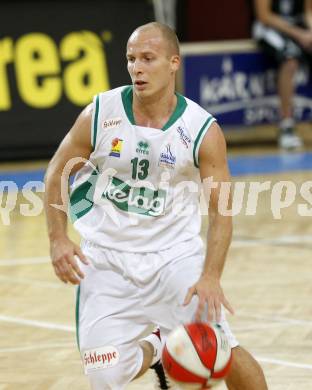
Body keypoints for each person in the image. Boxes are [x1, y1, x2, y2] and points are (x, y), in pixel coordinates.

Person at [44, 22, 268, 389]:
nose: (137, 68)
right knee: (105, 376)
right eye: (131, 59)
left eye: (148, 58)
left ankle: (179, 340)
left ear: (174, 63)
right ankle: (159, 347)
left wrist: (210, 275)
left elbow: (221, 211)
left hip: (174, 259)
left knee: (220, 352)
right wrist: (58, 238)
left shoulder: (200, 130)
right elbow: (57, 172)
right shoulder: (101, 113)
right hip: (106, 259)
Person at [252, 0, 312, 149]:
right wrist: (299, 34)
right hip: (269, 28)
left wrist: (310, 31)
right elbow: (264, 16)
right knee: (290, 59)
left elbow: (308, 12)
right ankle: (287, 126)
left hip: (298, 28)